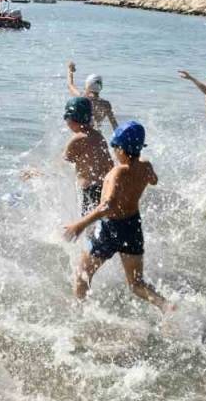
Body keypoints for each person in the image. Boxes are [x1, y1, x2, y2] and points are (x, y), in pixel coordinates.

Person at [62, 122, 173, 312]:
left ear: (121, 148)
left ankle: (80, 315)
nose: (113, 151)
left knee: (82, 275)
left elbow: (107, 205)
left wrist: (79, 225)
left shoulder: (117, 172)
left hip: (110, 228)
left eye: (114, 147)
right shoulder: (146, 166)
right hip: (133, 226)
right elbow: (154, 180)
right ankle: (167, 306)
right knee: (136, 284)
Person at [62, 97, 115, 215]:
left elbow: (62, 163)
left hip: (88, 190)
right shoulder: (99, 137)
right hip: (102, 188)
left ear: (71, 119)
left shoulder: (78, 139)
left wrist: (40, 173)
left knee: (86, 224)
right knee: (96, 224)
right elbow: (110, 164)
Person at [66, 61, 118, 130]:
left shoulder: (82, 98)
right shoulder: (106, 104)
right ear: (101, 87)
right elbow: (115, 126)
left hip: (82, 134)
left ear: (87, 86)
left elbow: (70, 85)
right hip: (97, 136)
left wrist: (70, 70)